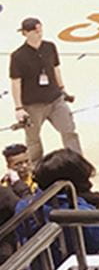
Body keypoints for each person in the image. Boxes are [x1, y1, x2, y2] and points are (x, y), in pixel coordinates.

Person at [9, 18, 80, 164]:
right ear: (25, 33)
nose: (38, 33)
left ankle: (78, 164)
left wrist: (62, 89)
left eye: (39, 29)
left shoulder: (50, 47)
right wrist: (19, 108)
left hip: (55, 99)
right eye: (34, 30)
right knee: (33, 140)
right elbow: (16, 82)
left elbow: (55, 69)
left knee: (69, 131)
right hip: (33, 105)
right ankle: (36, 168)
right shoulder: (18, 56)